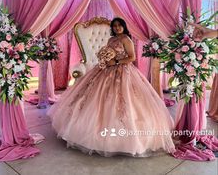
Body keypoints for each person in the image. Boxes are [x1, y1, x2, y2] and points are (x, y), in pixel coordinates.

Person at [48, 18, 175, 157]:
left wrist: (115, 61)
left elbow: (131, 57)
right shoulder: (111, 40)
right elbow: (108, 53)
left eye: (119, 25)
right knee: (92, 95)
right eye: (114, 26)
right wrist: (104, 60)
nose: (117, 28)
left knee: (124, 100)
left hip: (123, 71)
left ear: (124, 26)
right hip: (106, 69)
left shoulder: (127, 39)